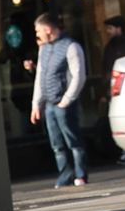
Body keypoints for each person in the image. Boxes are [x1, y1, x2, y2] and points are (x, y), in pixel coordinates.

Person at [29, 13, 89, 188]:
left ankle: (80, 175)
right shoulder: (44, 49)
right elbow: (40, 76)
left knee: (73, 142)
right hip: (50, 104)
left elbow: (79, 75)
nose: (37, 35)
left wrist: (67, 100)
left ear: (48, 29)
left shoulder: (71, 47)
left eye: (38, 31)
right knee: (57, 145)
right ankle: (65, 176)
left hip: (64, 103)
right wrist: (36, 104)